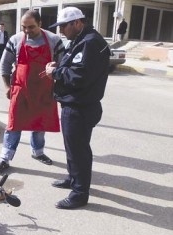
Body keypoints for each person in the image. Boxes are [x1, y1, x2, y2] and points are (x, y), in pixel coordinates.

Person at [45, 7, 111, 209]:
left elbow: (79, 77)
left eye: (64, 26)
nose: (61, 30)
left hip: (80, 106)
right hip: (75, 104)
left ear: (77, 23)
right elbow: (73, 66)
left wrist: (55, 72)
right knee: (72, 147)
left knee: (79, 150)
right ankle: (73, 179)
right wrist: (59, 67)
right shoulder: (81, 40)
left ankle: (80, 193)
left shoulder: (90, 42)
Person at [0, 10, 65, 173]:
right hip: (20, 90)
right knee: (14, 124)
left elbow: (63, 65)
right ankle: (5, 157)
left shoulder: (54, 41)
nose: (27, 31)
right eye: (24, 27)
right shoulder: (15, 40)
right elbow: (4, 65)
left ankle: (38, 152)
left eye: (31, 27)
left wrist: (56, 69)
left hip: (44, 91)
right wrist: (7, 87)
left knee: (40, 125)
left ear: (40, 24)